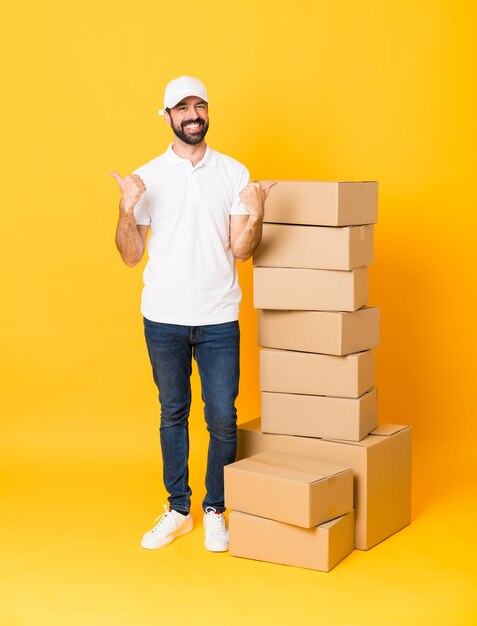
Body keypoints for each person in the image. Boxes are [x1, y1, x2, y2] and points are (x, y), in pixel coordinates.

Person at [110, 76, 275, 553]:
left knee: (223, 417)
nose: (193, 115)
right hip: (163, 316)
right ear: (167, 117)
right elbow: (129, 255)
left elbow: (243, 251)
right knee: (172, 413)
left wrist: (257, 214)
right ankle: (179, 510)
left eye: (200, 106)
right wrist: (125, 209)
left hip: (219, 316)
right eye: (182, 108)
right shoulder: (147, 176)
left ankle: (215, 510)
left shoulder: (234, 173)